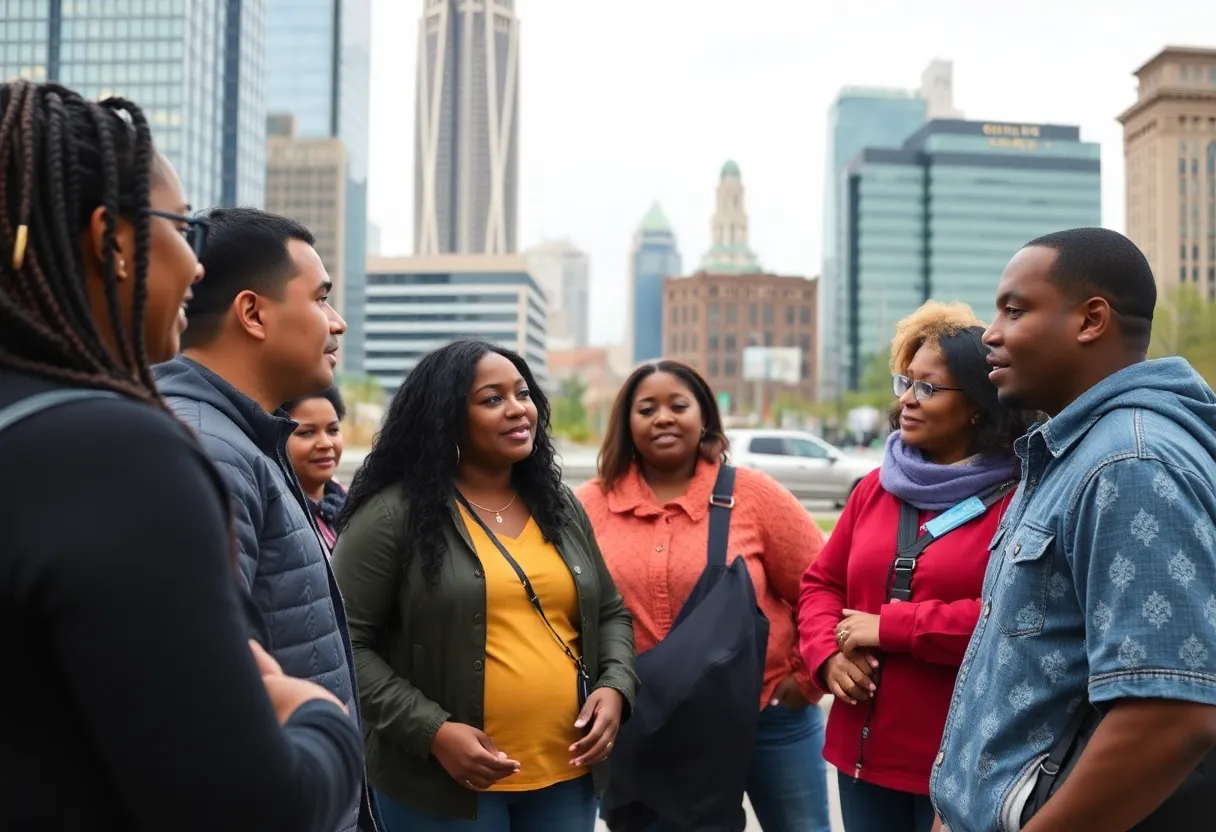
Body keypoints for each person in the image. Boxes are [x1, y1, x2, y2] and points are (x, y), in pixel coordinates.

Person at [0, 80, 362, 830]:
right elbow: (248, 809)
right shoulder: (124, 457)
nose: (197, 267)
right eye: (181, 228)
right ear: (113, 242)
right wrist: (321, 717)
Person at [930, 228, 1216, 832]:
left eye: (1015, 309)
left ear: (1091, 321)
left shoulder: (1130, 462)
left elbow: (1170, 715)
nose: (990, 332)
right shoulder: (1077, 454)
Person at [332, 340, 637, 832]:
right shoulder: (392, 515)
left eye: (523, 393)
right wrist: (433, 732)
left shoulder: (558, 505)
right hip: (443, 787)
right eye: (492, 399)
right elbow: (345, 642)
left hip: (566, 775)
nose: (518, 409)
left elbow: (610, 613)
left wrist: (616, 688)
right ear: (447, 418)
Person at [152, 207, 376, 831]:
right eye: (322, 298)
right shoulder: (208, 447)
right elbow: (208, 700)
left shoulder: (240, 438)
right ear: (253, 313)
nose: (338, 323)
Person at [798, 302, 1030, 832]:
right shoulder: (873, 489)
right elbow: (821, 585)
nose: (906, 398)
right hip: (861, 763)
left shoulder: (1019, 498)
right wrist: (827, 655)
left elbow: (1012, 616)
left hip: (964, 767)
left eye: (928, 388)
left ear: (976, 403)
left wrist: (892, 627)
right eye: (906, 381)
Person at [576, 360, 832, 831]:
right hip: (652, 726)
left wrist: (807, 678)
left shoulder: (754, 496)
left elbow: (822, 586)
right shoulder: (591, 505)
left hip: (767, 715)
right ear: (626, 423)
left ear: (704, 417)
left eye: (679, 405)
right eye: (646, 408)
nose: (664, 418)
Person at [285, 386, 348, 551]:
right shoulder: (274, 516)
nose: (326, 443)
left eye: (333, 430)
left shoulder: (355, 505)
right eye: (307, 432)